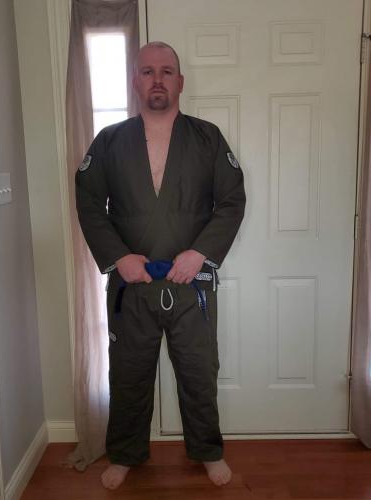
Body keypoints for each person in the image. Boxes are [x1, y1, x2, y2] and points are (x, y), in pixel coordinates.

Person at [75, 41, 245, 490]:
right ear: (135, 81)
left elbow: (231, 201)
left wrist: (200, 253)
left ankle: (207, 450)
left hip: (192, 285)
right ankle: (125, 453)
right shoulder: (110, 141)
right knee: (128, 374)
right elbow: (89, 203)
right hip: (131, 287)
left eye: (166, 71)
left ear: (180, 82)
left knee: (198, 371)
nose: (157, 79)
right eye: (147, 71)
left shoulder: (207, 138)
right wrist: (119, 257)